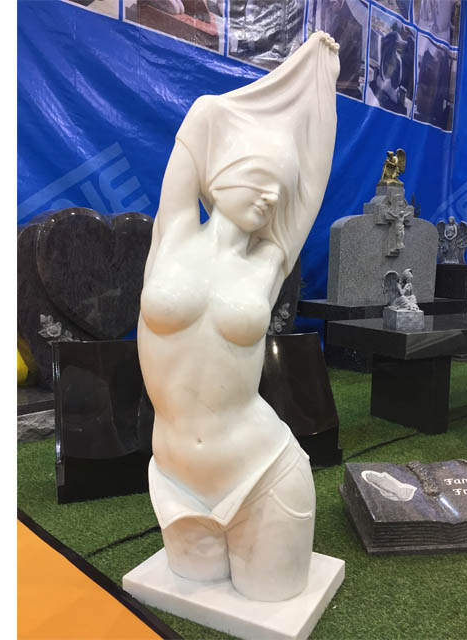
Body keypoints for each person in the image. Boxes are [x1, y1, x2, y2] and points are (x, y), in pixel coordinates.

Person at [137, 32, 339, 602]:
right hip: (175, 481)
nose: (272, 198)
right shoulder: (173, 234)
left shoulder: (268, 263)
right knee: (191, 600)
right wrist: (217, 108)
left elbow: (309, 187)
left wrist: (319, 81)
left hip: (263, 475)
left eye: (278, 190)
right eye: (260, 179)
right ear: (222, 174)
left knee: (272, 603)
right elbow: (196, 133)